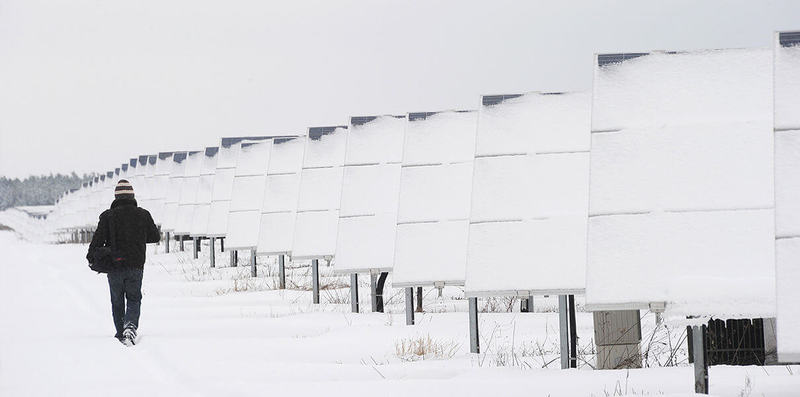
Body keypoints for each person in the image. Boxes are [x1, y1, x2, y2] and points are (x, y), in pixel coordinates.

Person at [87, 179, 160, 345]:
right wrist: (139, 236)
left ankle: (120, 332)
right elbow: (155, 236)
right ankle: (130, 328)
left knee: (117, 299)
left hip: (114, 265)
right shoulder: (143, 214)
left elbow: (97, 242)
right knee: (134, 298)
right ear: (132, 195)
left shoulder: (107, 216)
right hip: (136, 265)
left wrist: (92, 258)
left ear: (115, 197)